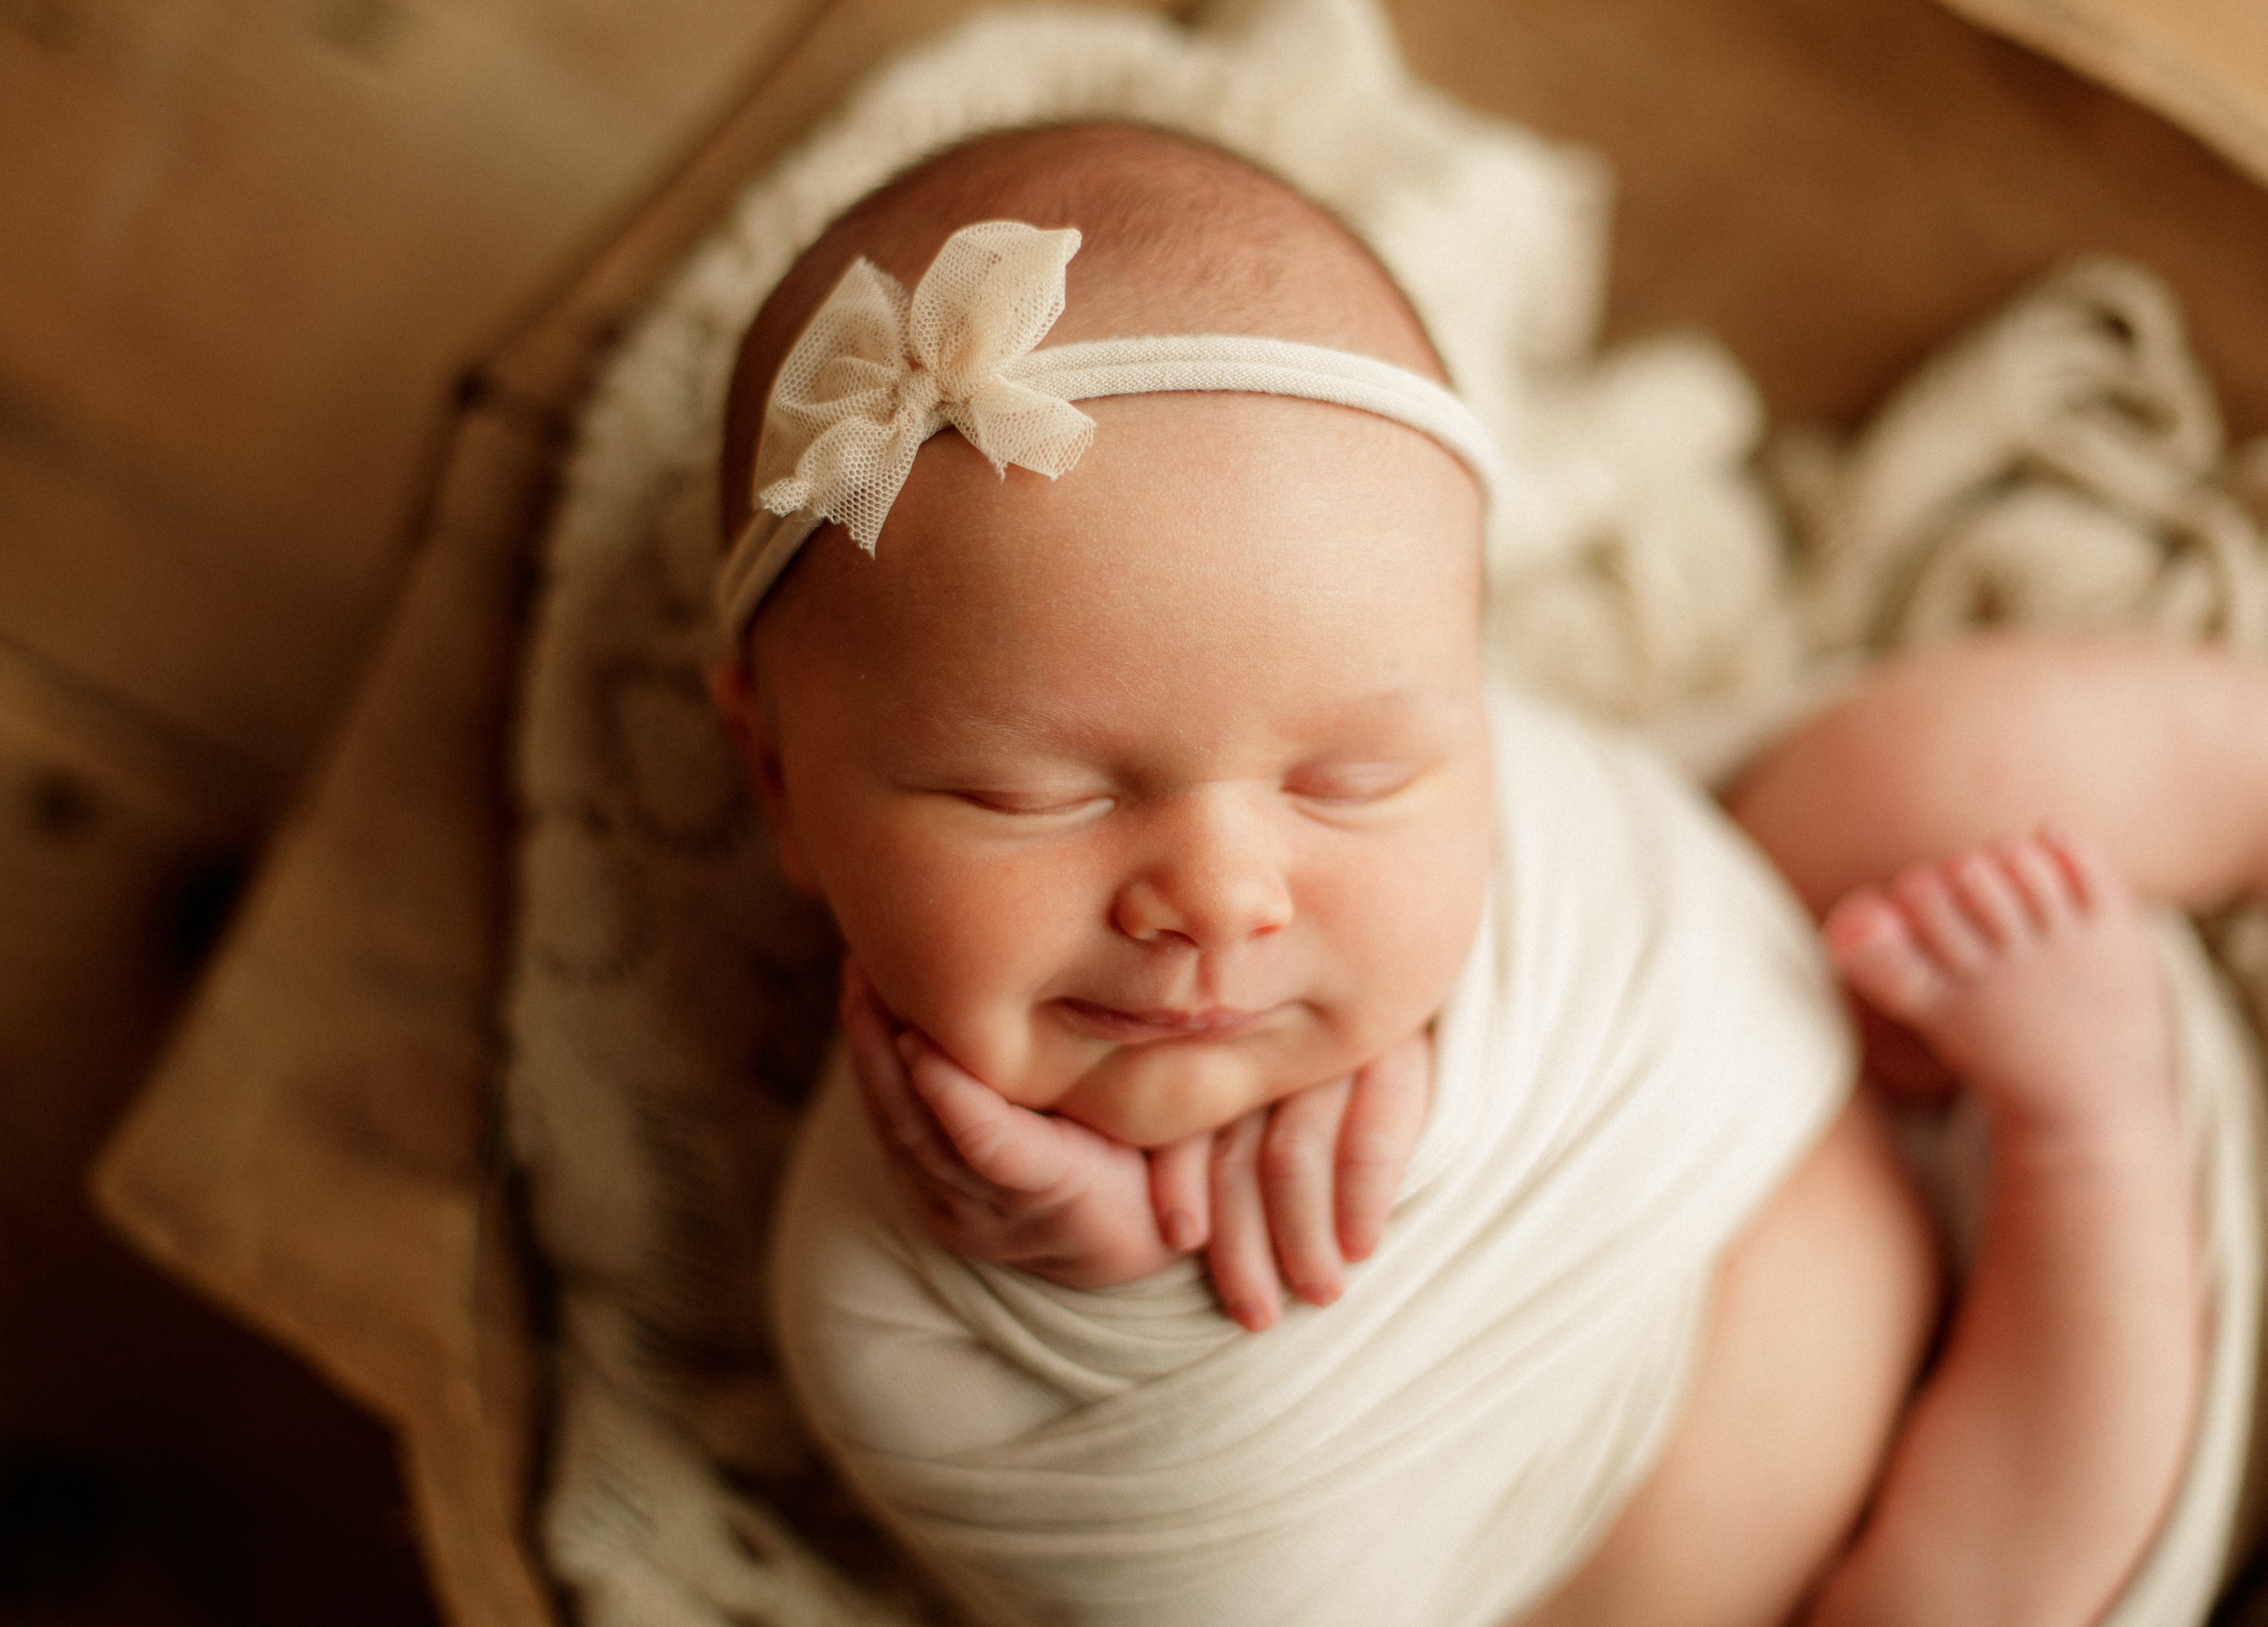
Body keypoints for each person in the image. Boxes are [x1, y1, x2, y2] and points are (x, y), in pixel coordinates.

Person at [708, 119, 2267, 1625]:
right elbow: (1211, 1574)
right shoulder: (880, 1305)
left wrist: (1432, 1042)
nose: (1227, 894)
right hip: (1862, 1545)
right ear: (781, 773)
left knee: (1927, 773)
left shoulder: (1467, 789)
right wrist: (1118, 1277)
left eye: (1351, 773)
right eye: (1031, 792)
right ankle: (2102, 1132)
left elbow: (1633, 852)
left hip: (1855, 1010)